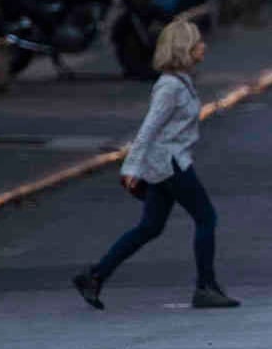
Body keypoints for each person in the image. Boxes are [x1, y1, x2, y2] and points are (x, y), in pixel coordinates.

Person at [72, 19, 239, 310]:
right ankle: (205, 286)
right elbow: (148, 128)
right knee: (206, 218)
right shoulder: (169, 87)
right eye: (198, 42)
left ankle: (95, 276)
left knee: (150, 227)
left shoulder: (181, 82)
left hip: (165, 163)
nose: (204, 46)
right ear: (184, 48)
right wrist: (131, 168)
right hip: (170, 163)